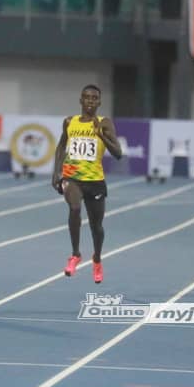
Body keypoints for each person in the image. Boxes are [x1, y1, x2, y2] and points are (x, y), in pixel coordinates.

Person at [51, 85, 122, 284]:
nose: (90, 101)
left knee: (96, 226)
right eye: (87, 97)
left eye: (94, 98)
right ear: (80, 100)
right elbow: (61, 145)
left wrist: (102, 136)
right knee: (74, 208)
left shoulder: (104, 123)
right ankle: (75, 255)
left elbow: (118, 153)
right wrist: (56, 172)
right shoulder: (69, 122)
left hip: (95, 181)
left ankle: (97, 259)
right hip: (72, 178)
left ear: (99, 102)